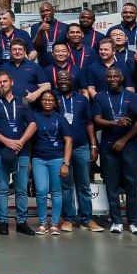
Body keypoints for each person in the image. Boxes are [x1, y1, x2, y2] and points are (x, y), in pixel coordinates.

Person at [93, 67, 137, 234]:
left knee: (132, 184)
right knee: (112, 184)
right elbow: (96, 119)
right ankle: (116, 220)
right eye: (109, 76)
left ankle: (134, 222)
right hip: (108, 146)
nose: (112, 79)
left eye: (115, 76)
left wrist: (124, 139)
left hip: (129, 145)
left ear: (122, 78)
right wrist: (115, 123)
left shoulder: (132, 96)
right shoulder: (100, 96)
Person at [0, 71, 37, 236]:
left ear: (11, 82)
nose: (2, 84)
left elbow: (33, 124)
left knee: (21, 189)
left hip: (21, 151)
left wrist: (21, 141)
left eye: (5, 81)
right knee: (2, 188)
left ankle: (21, 222)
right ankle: (2, 222)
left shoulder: (23, 101)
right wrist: (6, 141)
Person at [54, 70, 100, 232]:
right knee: (65, 187)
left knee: (84, 185)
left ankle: (87, 219)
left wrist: (93, 145)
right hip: (60, 149)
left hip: (81, 147)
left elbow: (89, 123)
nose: (63, 81)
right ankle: (68, 219)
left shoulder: (82, 99)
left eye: (66, 79)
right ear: (56, 82)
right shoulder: (53, 99)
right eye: (60, 79)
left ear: (72, 81)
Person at [31, 90, 71, 235]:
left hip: (57, 159)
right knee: (41, 191)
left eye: (50, 100)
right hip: (39, 159)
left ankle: (54, 224)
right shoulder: (35, 117)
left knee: (56, 192)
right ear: (40, 101)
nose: (47, 102)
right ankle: (43, 223)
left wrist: (65, 163)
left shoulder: (61, 119)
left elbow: (68, 141)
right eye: (44, 99)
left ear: (55, 103)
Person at [0, 39, 49, 105]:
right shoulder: (3, 67)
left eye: (20, 49)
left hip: (29, 105)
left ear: (25, 51)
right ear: (10, 52)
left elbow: (47, 85)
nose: (17, 52)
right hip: (8, 105)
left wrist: (34, 95)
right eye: (14, 49)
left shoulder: (34, 66)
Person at [30, 3, 68, 69]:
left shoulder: (64, 27)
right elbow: (36, 47)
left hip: (62, 66)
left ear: (54, 11)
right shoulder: (35, 27)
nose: (45, 13)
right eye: (42, 11)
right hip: (43, 66)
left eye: (48, 10)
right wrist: (40, 31)